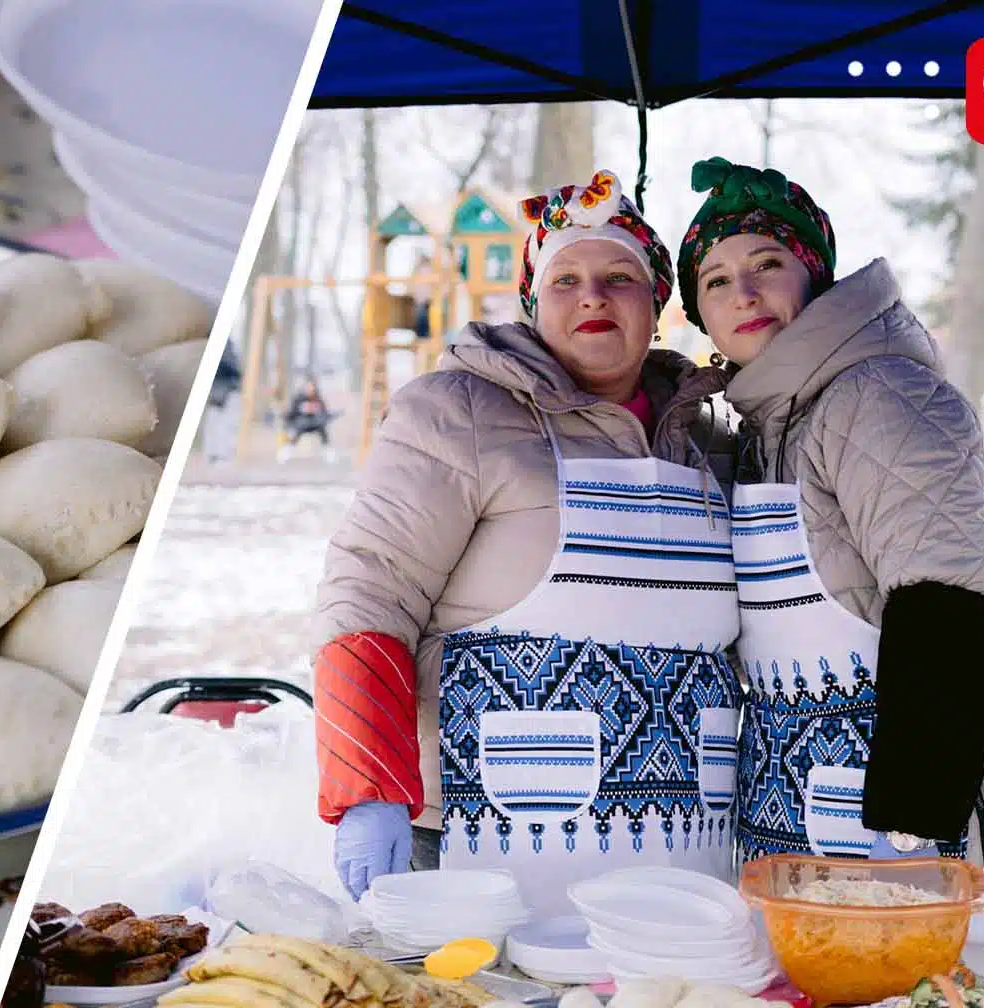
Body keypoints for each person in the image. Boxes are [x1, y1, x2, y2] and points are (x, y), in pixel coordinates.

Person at [311, 170, 741, 912]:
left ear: (658, 302)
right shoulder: (459, 413)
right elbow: (370, 588)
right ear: (534, 301)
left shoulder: (709, 440)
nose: (593, 297)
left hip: (683, 857)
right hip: (481, 850)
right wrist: (368, 785)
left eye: (620, 277)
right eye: (566, 277)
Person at [676, 157, 984, 904]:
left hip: (917, 827)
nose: (743, 293)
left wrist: (908, 824)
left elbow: (954, 607)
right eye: (715, 280)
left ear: (813, 271)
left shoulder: (880, 394)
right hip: (799, 823)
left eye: (766, 263)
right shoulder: (769, 423)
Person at [286, 377, 333, 448]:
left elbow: (325, 412)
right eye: (308, 387)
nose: (310, 390)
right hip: (301, 424)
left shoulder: (318, 398)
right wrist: (302, 409)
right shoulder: (299, 398)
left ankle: (327, 448)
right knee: (295, 432)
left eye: (312, 388)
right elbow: (292, 412)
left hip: (315, 424)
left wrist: (317, 410)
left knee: (322, 429)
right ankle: (289, 448)